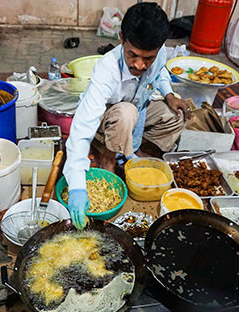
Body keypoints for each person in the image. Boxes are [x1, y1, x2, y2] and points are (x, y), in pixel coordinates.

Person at [63, 3, 189, 230]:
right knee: (125, 113)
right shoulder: (106, 70)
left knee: (175, 115)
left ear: (159, 48)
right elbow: (81, 129)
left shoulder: (158, 54)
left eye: (147, 58)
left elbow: (160, 72)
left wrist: (169, 95)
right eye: (133, 55)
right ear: (121, 38)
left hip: (137, 110)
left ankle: (136, 151)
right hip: (108, 118)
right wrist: (77, 188)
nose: (140, 65)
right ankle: (109, 158)